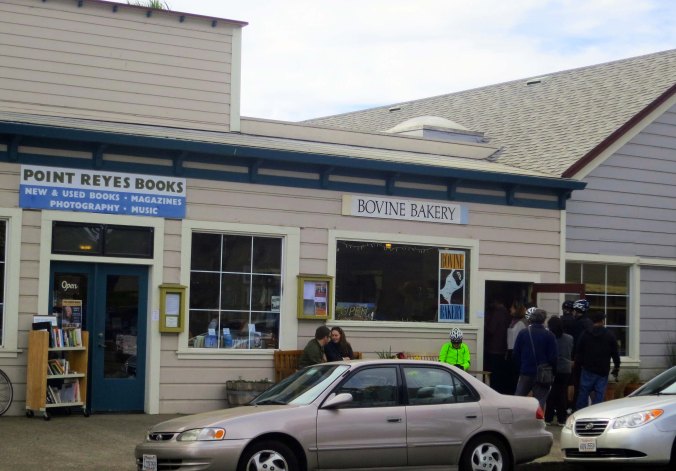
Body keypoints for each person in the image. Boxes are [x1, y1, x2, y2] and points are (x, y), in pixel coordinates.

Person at [574, 311, 620, 411]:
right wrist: (617, 366)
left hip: (587, 368)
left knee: (583, 392)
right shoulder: (609, 335)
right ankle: (596, 412)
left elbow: (579, 350)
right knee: (599, 393)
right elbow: (615, 353)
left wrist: (578, 364)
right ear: (603, 321)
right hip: (603, 369)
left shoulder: (586, 334)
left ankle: (580, 412)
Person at [513, 307, 558, 408]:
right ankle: (537, 421)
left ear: (531, 318)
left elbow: (516, 353)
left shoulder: (523, 333)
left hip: (526, 371)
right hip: (543, 373)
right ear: (544, 319)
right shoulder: (549, 335)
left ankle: (518, 420)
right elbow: (553, 357)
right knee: (540, 401)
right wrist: (553, 372)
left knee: (518, 399)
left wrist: (521, 367)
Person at [544, 315, 573, 426]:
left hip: (552, 368)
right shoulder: (569, 338)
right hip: (566, 369)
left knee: (551, 394)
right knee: (561, 393)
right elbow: (570, 352)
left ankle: (549, 417)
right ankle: (562, 418)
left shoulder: (549, 337)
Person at [483, 298, 511, 393]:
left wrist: (484, 324)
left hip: (493, 348)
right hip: (503, 348)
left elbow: (491, 329)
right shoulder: (507, 313)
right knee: (500, 373)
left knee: (493, 374)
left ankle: (493, 391)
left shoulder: (497, 313)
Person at [570, 299, 593, 409]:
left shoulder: (577, 324)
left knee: (578, 385)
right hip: (588, 359)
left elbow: (576, 343)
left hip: (578, 358)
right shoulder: (589, 323)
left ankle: (577, 407)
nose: (572, 312)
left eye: (574, 310)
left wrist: (574, 357)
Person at [505, 301, 528, 394]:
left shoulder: (521, 323)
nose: (510, 309)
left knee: (515, 376)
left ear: (517, 309)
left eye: (512, 307)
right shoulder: (513, 321)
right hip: (510, 350)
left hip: (516, 351)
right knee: (510, 375)